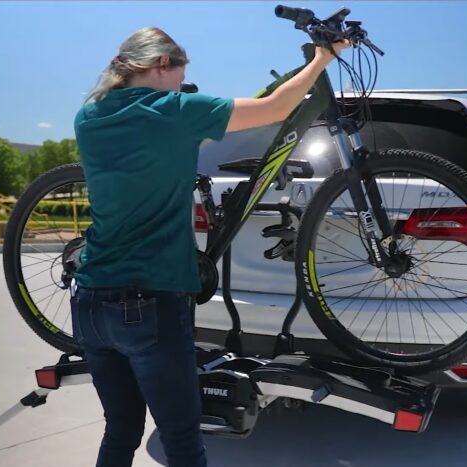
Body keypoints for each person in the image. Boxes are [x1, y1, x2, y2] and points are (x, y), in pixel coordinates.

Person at [71, 26, 349, 467]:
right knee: (183, 442)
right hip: (149, 301)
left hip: (88, 301)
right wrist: (321, 59)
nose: (183, 83)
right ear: (163, 65)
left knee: (121, 430)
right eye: (182, 73)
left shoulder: (90, 114)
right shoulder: (173, 110)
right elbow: (275, 108)